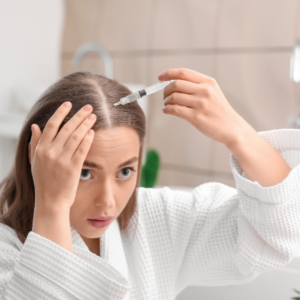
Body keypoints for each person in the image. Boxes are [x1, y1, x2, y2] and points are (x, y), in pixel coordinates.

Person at [0, 68, 299, 300]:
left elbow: (277, 230)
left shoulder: (155, 219)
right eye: (84, 173)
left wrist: (239, 134)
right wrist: (51, 207)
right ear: (39, 160)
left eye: (125, 172)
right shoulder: (6, 249)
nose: (108, 201)